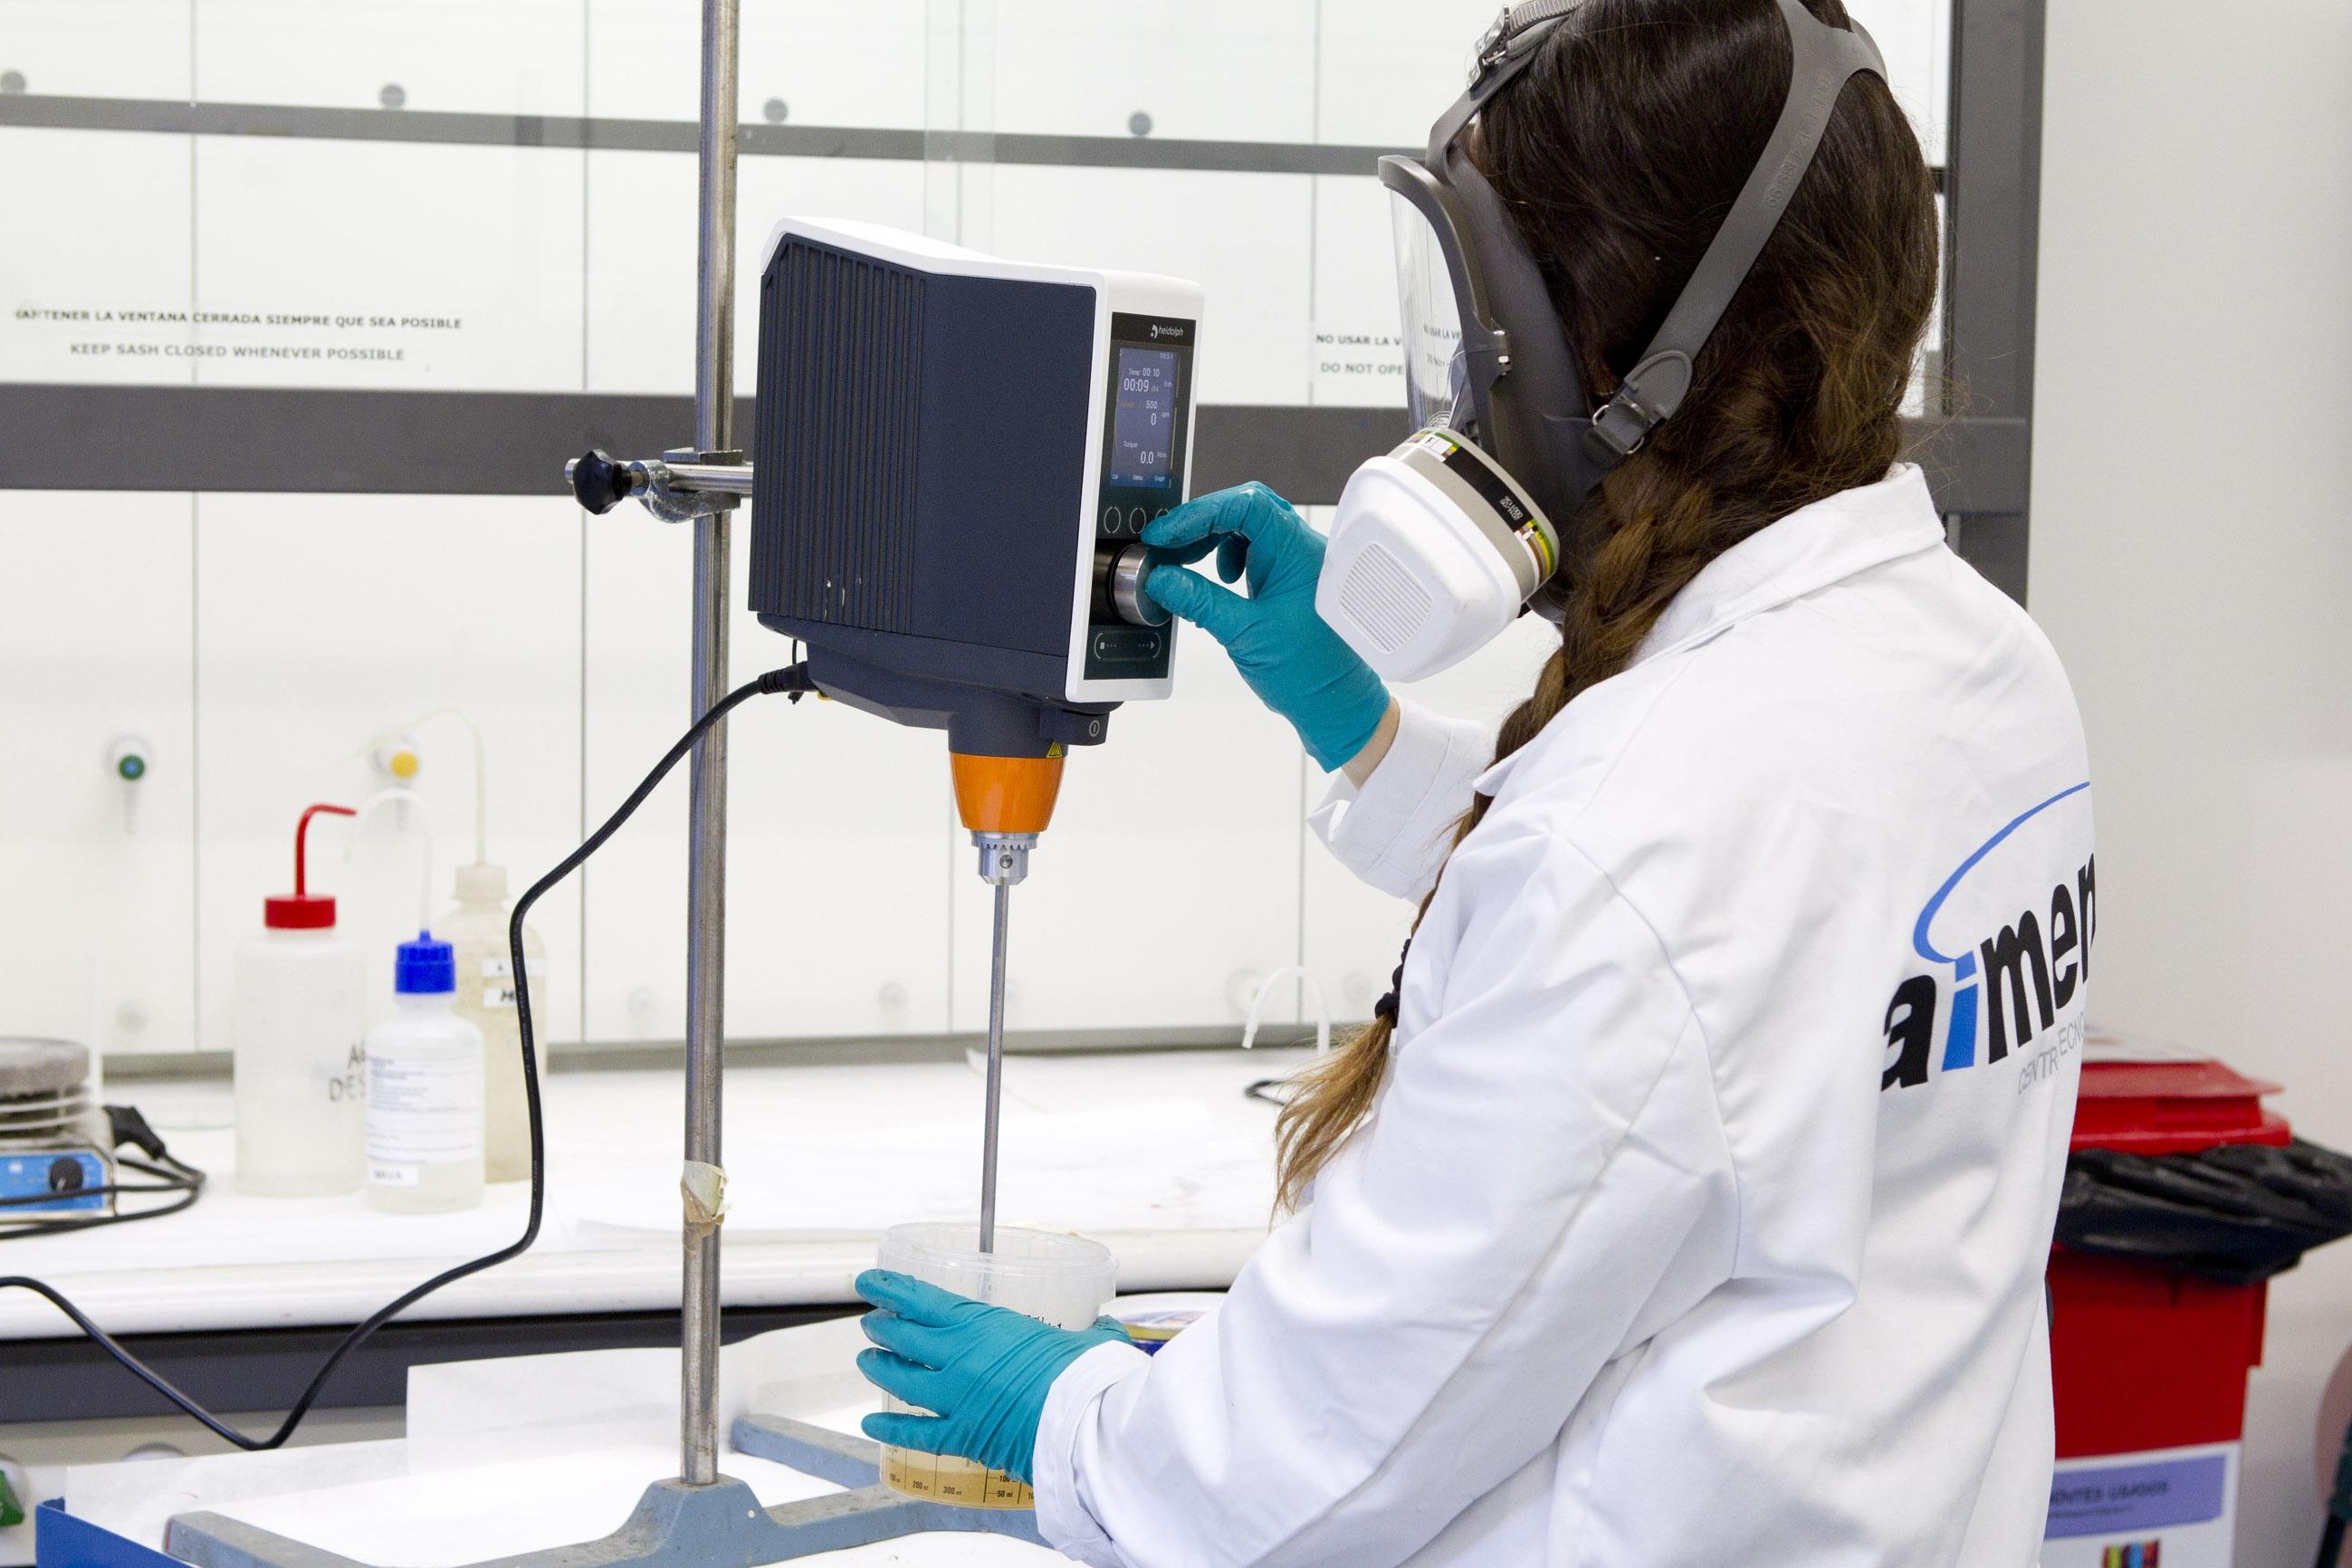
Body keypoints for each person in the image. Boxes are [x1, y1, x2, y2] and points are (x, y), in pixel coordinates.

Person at [855, 0, 2092, 1562]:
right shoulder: (1981, 665)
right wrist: (1363, 732)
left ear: (1607, 358)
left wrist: (1072, 1421)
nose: (1459, 381)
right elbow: (1727, 990)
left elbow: (1296, 1475)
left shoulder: (1642, 832)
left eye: (1480, 317)